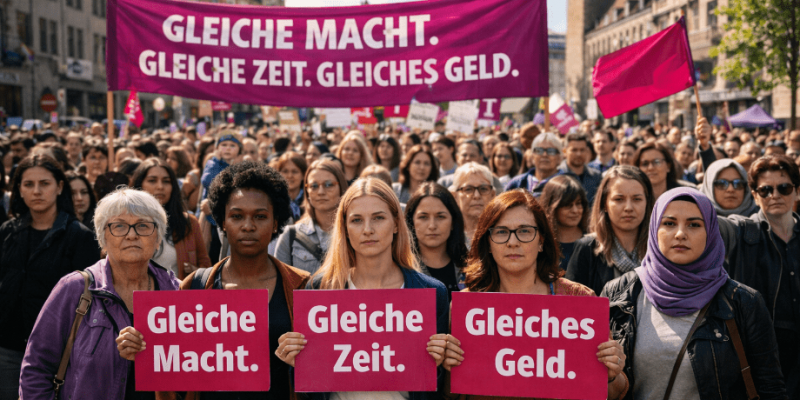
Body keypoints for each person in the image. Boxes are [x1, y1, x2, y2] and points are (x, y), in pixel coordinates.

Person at [123, 161, 310, 400]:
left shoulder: (302, 286)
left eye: (260, 216)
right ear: (222, 221)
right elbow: (172, 373)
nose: (248, 226)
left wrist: (305, 359)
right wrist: (142, 346)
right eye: (236, 216)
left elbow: (324, 377)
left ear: (276, 222)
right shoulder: (194, 286)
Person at [601, 188, 788, 400]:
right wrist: (610, 376)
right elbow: (599, 387)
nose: (680, 233)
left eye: (694, 224)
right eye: (669, 223)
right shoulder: (619, 293)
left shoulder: (743, 302)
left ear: (710, 232)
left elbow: (770, 388)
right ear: (654, 229)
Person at [441, 189, 628, 400]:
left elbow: (614, 393)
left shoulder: (579, 300)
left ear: (541, 241)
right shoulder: (468, 307)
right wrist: (449, 369)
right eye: (501, 232)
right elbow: (452, 395)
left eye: (524, 231)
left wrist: (612, 374)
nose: (513, 242)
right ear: (488, 243)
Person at [275, 178, 450, 400]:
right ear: (345, 228)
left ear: (396, 224)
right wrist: (297, 362)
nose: (368, 230)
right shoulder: (320, 289)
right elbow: (310, 392)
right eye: (357, 220)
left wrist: (440, 363)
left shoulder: (433, 293)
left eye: (378, 218)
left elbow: (436, 390)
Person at [18, 188, 176, 400]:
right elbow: (36, 369)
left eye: (143, 226)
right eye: (119, 226)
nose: (131, 234)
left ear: (158, 237)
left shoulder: (175, 290)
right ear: (103, 238)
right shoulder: (74, 289)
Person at [0, 155, 99, 399]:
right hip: (9, 349)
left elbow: (90, 299)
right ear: (18, 190)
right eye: (28, 184)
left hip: (59, 352)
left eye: (44, 183)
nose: (36, 191)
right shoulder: (8, 232)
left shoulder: (79, 237)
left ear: (59, 187)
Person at [710, 154, 800, 397]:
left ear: (797, 191)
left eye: (783, 187)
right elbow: (710, 221)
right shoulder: (743, 230)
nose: (774, 195)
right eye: (765, 189)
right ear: (755, 194)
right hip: (761, 356)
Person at [566, 166, 655, 295]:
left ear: (647, 203)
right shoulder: (587, 249)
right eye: (619, 199)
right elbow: (571, 306)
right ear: (604, 204)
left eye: (637, 199)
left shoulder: (658, 249)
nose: (628, 207)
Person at [131, 158, 212, 279]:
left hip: (179, 295)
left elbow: (206, 267)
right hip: (137, 296)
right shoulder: (125, 223)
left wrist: (197, 273)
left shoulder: (188, 222)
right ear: (139, 185)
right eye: (152, 180)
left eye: (166, 181)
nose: (160, 186)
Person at [275, 159, 347, 274]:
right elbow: (281, 284)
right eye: (314, 185)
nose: (321, 192)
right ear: (307, 191)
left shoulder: (352, 233)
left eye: (328, 185)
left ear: (341, 188)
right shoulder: (290, 235)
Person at [405, 182, 468, 296]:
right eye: (423, 217)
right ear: (412, 222)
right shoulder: (401, 270)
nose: (432, 226)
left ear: (453, 222)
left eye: (440, 217)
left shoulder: (472, 268)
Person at [539, 175, 590, 271]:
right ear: (552, 207)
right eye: (567, 205)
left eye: (578, 203)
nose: (575, 210)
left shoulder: (594, 242)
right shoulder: (541, 245)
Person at [451, 162, 497, 247]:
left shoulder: (501, 233)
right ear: (455, 196)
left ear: (493, 195)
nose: (477, 196)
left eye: (483, 189)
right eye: (468, 189)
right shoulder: (447, 234)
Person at [560, 132, 602, 204]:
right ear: (565, 151)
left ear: (587, 151)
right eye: (574, 150)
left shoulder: (596, 176)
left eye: (582, 150)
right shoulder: (557, 175)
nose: (578, 154)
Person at [276, 152, 309, 221]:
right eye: (285, 171)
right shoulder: (273, 200)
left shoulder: (310, 199)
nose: (290, 176)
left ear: (303, 175)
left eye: (294, 172)